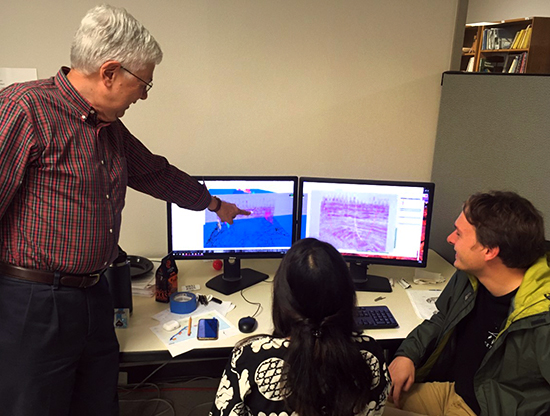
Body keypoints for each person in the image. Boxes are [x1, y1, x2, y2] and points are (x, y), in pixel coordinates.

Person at [0, 5, 249, 416]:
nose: (145, 94)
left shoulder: (108, 127)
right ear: (110, 72)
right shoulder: (24, 110)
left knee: (99, 402)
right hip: (32, 302)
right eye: (144, 83)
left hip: (95, 294)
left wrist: (215, 205)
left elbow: (154, 173)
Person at [388, 191, 550, 416]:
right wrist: (406, 355)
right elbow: (441, 319)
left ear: (489, 251)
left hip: (482, 409)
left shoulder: (541, 318)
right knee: (359, 402)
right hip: (454, 393)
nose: (450, 239)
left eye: (459, 233)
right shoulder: (472, 276)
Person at [210, 238, 390, 416]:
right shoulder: (371, 355)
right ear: (346, 295)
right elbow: (376, 408)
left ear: (283, 299)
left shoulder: (250, 357)